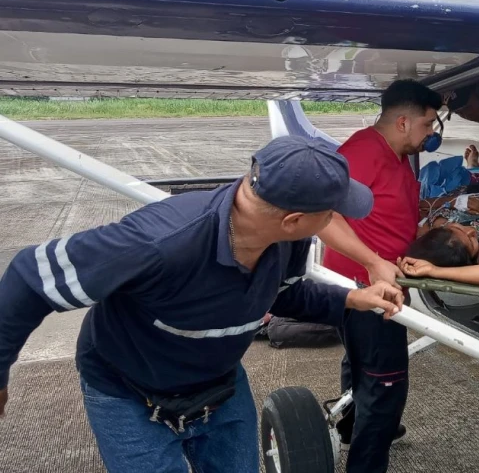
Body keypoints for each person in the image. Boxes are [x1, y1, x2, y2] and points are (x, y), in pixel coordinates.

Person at [0, 135, 405, 473]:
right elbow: (29, 279)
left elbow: (282, 294)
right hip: (129, 394)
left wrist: (353, 298)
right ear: (293, 219)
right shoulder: (161, 242)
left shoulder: (287, 240)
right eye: (331, 212)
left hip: (220, 387)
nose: (336, 219)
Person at [317, 79, 443, 473]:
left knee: (360, 363)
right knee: (385, 383)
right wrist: (373, 262)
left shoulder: (396, 153)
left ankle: (356, 426)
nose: (431, 135)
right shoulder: (362, 153)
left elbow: (387, 209)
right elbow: (323, 216)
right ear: (403, 122)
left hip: (375, 278)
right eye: (428, 125)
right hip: (365, 284)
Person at [400, 181, 479, 286]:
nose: (471, 230)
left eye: (456, 227)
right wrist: (434, 270)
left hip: (463, 192)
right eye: (472, 241)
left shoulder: (434, 225)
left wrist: (453, 201)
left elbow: (419, 204)